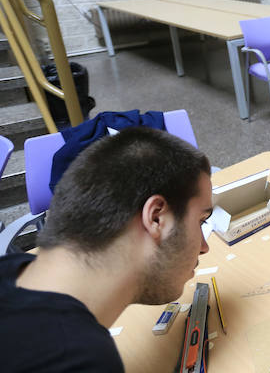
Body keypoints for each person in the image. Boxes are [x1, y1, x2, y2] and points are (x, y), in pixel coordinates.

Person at [0, 127, 213, 372]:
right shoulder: (79, 359)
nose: (204, 247)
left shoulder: (9, 271)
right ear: (156, 218)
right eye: (200, 221)